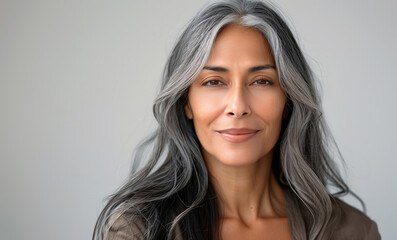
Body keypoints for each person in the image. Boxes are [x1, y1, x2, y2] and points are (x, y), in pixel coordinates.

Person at [93, 0, 381, 239]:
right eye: (214, 82)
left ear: (288, 100)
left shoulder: (353, 231)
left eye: (261, 81)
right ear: (186, 101)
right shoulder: (138, 229)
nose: (237, 106)